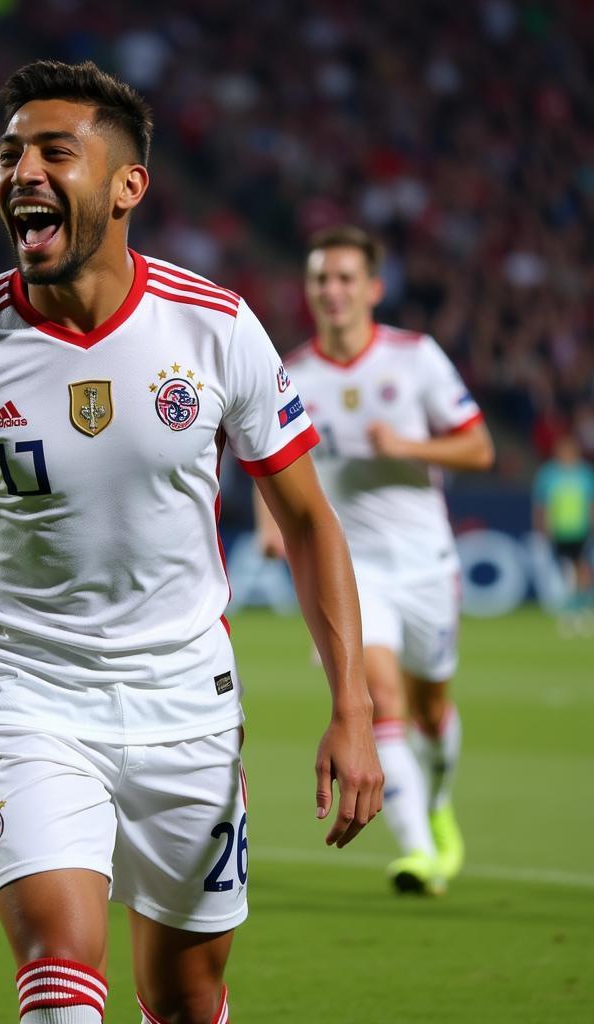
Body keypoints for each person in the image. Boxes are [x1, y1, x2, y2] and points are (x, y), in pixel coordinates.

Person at [0, 61, 382, 1024]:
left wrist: (354, 707)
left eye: (56, 151)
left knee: (187, 997)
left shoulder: (216, 328)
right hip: (26, 697)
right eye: (10, 152)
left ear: (127, 184)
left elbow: (309, 523)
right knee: (61, 982)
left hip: (187, 704)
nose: (23, 171)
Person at [256, 224, 495, 897]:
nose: (331, 291)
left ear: (373, 289)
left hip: (425, 561)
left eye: (344, 279)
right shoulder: (291, 374)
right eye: (320, 279)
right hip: (351, 571)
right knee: (378, 696)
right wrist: (274, 521)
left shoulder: (415, 358)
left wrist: (408, 448)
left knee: (430, 709)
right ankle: (419, 852)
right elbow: (262, 458)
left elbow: (478, 448)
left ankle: (438, 801)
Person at [532, 432, 594, 632]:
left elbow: (590, 503)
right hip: (558, 530)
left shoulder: (585, 474)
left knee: (581, 567)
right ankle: (570, 605)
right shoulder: (548, 474)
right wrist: (541, 527)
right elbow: (541, 505)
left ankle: (581, 605)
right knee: (564, 570)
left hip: (580, 529)